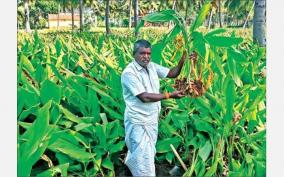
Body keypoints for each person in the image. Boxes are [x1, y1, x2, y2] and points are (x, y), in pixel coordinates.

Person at [121, 39, 196, 176]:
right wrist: (169, 95)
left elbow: (172, 73)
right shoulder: (129, 73)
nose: (146, 56)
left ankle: (129, 170)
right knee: (144, 159)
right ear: (134, 54)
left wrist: (183, 59)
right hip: (138, 122)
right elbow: (144, 97)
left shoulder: (151, 67)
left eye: (149, 53)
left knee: (143, 153)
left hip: (151, 120)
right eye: (142, 53)